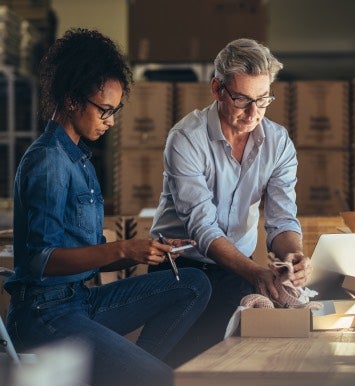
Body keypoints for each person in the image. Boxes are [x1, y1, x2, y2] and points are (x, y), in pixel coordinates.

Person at [4, 28, 211, 386]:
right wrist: (122, 247)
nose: (111, 121)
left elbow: (92, 253)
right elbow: (41, 260)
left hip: (79, 301)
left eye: (116, 110)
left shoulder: (80, 159)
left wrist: (144, 253)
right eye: (104, 110)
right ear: (71, 100)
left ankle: (129, 372)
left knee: (194, 283)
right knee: (160, 378)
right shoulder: (49, 161)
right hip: (43, 315)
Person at [149, 38, 312, 366]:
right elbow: (202, 227)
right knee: (177, 365)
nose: (254, 113)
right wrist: (255, 273)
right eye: (242, 100)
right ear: (217, 89)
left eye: (263, 100)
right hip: (180, 265)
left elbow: (281, 220)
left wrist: (293, 254)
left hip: (239, 264)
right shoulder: (186, 139)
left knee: (233, 361)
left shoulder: (278, 143)